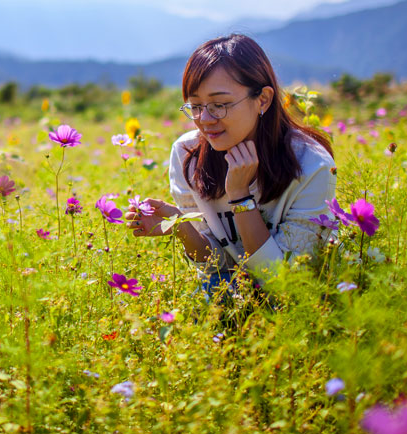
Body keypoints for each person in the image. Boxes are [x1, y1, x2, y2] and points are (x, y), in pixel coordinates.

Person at [124, 34, 337, 290]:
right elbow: (219, 265)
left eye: (220, 104)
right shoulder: (186, 155)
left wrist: (240, 197)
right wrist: (179, 224)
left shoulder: (311, 164)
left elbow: (283, 281)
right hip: (232, 294)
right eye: (195, 106)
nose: (205, 119)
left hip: (299, 304)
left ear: (263, 99)